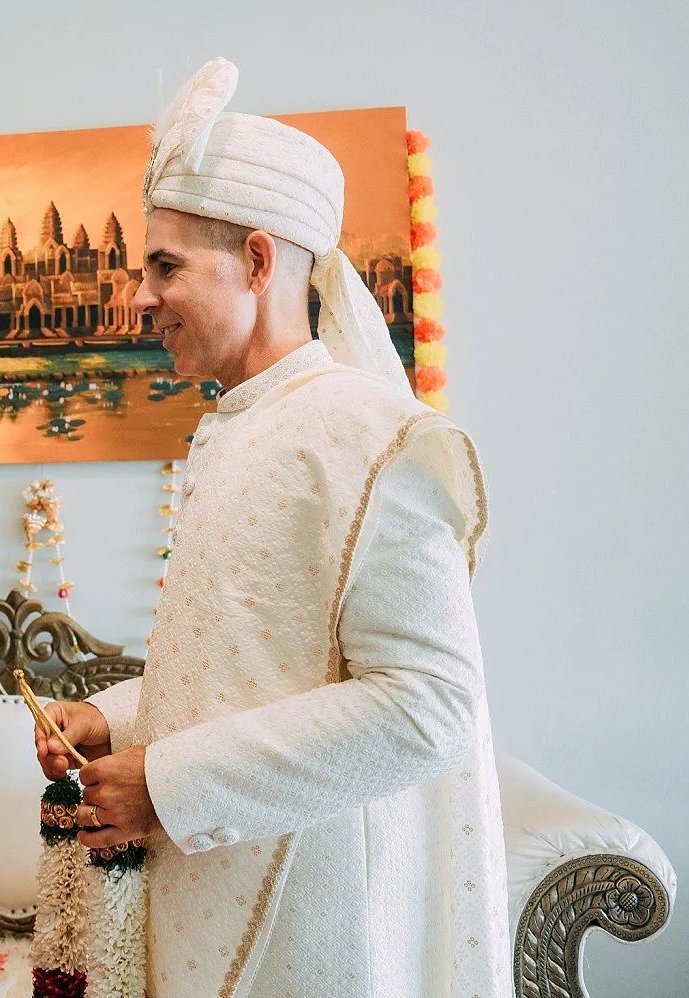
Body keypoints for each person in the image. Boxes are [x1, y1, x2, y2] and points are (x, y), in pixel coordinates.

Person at [34, 59, 510, 996]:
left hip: (315, 912)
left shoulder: (372, 433)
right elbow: (254, 658)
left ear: (258, 260)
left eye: (165, 267)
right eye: (140, 269)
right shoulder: (239, 421)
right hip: (217, 878)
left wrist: (169, 786)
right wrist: (112, 719)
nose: (140, 299)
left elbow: (430, 705)